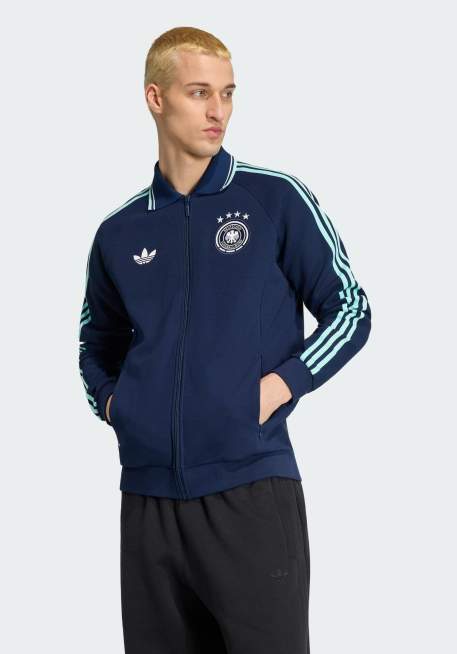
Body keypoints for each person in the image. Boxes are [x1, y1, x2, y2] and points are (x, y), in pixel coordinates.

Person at [78, 26, 372, 654]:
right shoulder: (119, 232)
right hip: (148, 503)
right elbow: (94, 345)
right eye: (199, 92)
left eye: (228, 93)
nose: (219, 110)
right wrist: (118, 407)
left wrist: (278, 388)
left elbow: (350, 309)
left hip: (251, 493)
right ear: (156, 97)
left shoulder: (273, 199)